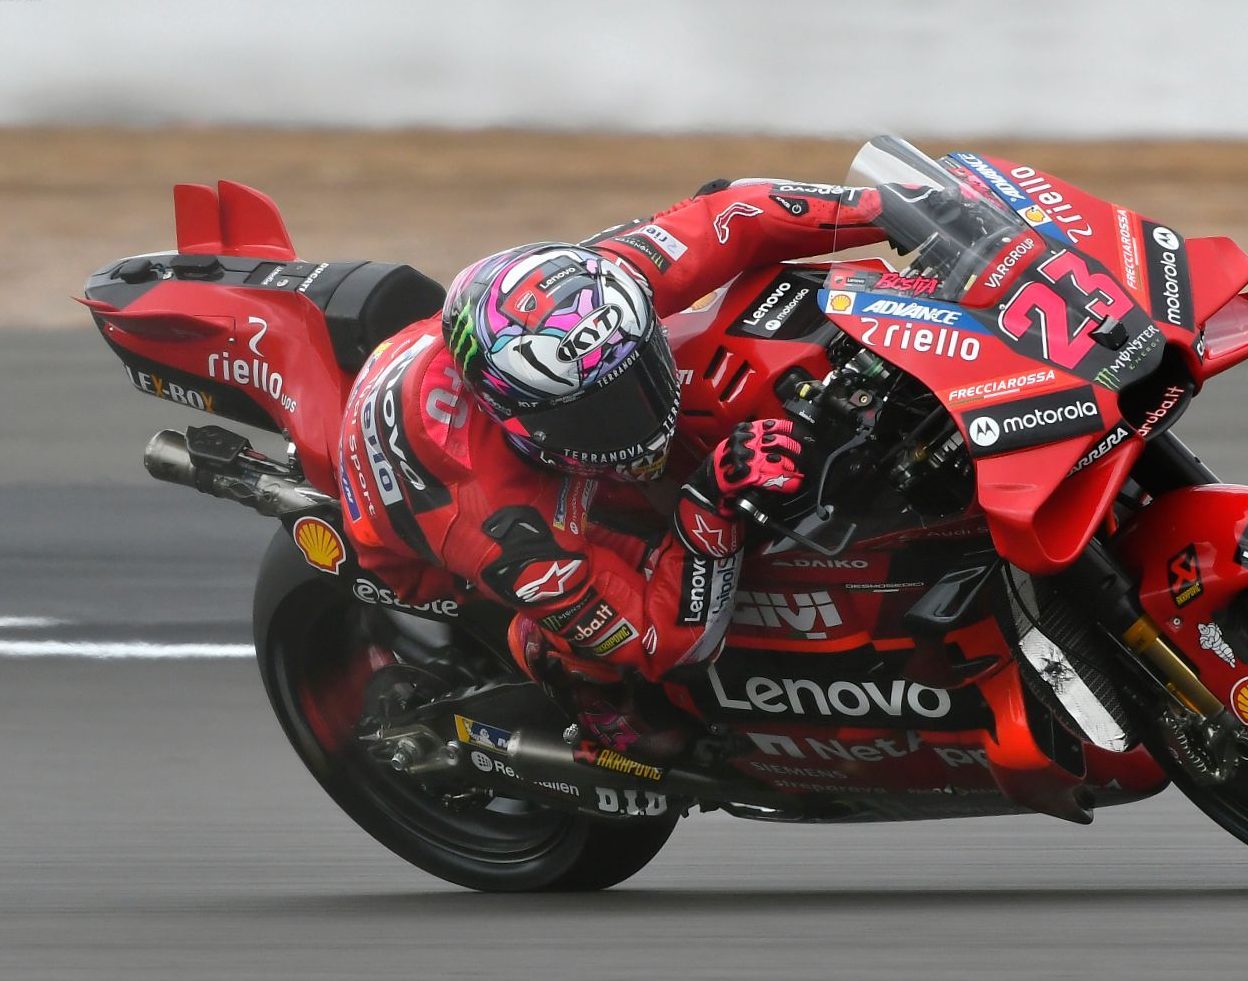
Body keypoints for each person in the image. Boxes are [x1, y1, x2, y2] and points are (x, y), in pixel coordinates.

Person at [332, 177, 930, 762]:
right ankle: (573, 681)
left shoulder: (596, 293)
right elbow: (669, 642)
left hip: (465, 385)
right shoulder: (501, 527)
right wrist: (708, 503)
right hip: (432, 546)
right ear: (514, 418)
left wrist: (893, 208)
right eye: (593, 417)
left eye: (639, 376)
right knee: (657, 731)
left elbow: (733, 215)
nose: (633, 424)